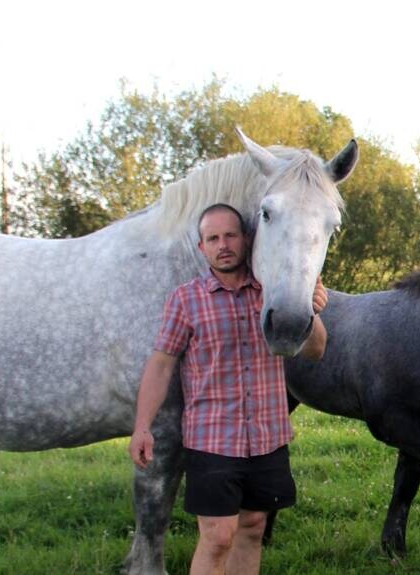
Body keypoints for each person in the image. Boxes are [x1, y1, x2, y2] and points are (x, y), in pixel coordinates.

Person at [128, 203, 327, 575]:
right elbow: (161, 364)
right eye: (213, 238)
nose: (223, 245)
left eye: (230, 235)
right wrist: (142, 426)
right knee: (218, 536)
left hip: (268, 437)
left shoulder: (274, 294)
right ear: (202, 247)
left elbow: (316, 351)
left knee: (252, 527)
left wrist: (312, 312)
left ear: (247, 240)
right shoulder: (185, 299)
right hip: (212, 439)